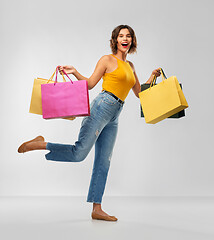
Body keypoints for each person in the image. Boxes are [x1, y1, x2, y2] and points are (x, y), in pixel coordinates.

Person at [18, 25, 161, 221]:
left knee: (104, 161)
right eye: (121, 36)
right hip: (101, 107)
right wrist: (75, 72)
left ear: (132, 40)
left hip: (115, 115)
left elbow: (139, 93)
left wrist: (152, 77)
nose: (125, 39)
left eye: (128, 36)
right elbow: (90, 84)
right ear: (116, 40)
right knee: (79, 154)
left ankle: (97, 208)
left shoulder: (131, 66)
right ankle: (40, 143)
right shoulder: (107, 60)